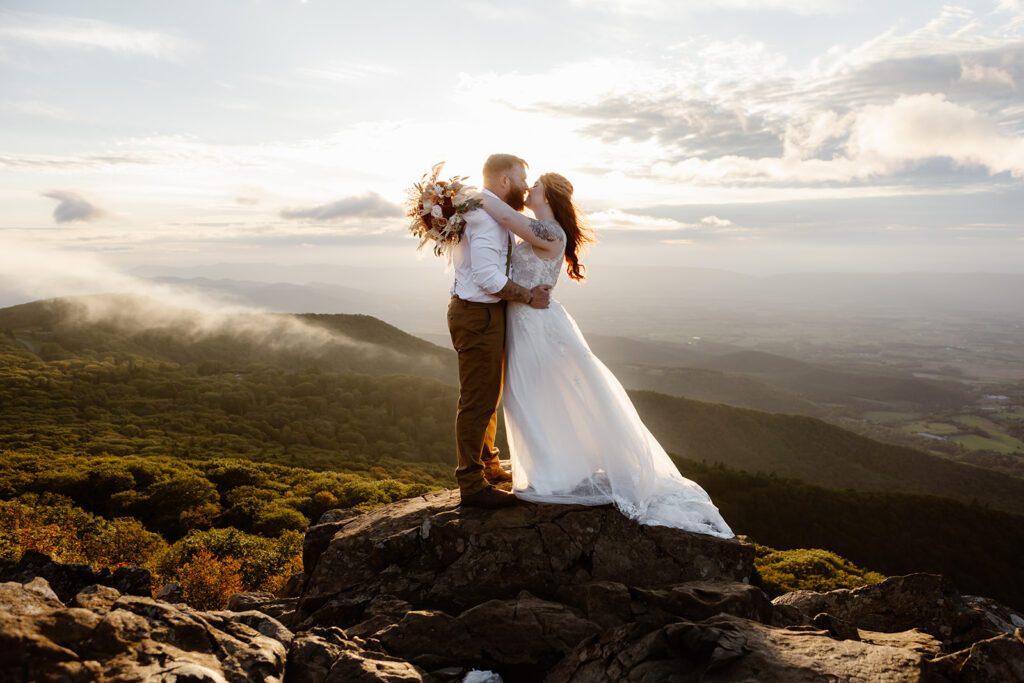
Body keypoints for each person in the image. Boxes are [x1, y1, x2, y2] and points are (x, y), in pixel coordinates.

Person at [476, 173, 734, 537]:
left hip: (537, 327)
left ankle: (552, 474)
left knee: (535, 395)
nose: (528, 189)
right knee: (528, 397)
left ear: (548, 194)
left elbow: (504, 215)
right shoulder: (538, 228)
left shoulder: (550, 232)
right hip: (525, 323)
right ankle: (551, 469)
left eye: (534, 185)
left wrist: (461, 196)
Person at [448, 153, 552, 508]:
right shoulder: (485, 218)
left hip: (481, 313)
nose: (526, 185)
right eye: (522, 178)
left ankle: (489, 466)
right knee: (477, 400)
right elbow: (488, 278)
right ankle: (472, 484)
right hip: (478, 315)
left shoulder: (483, 210)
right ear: (505, 180)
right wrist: (529, 296)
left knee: (487, 396)